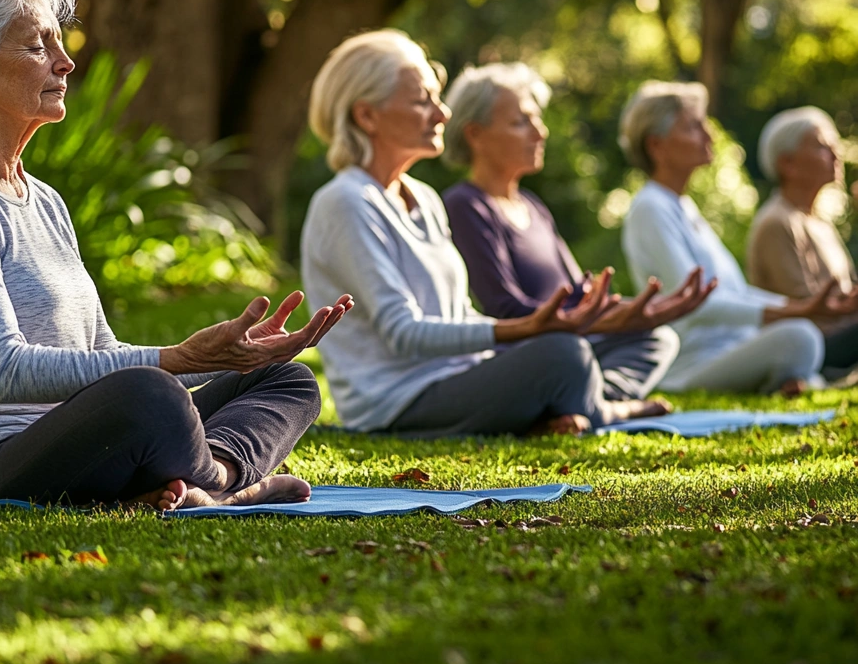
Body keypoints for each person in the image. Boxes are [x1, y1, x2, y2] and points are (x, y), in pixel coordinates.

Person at [0, 0, 352, 511]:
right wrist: (180, 358)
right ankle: (224, 485)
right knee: (150, 394)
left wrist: (222, 355)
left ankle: (207, 478)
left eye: (59, 43)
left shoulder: (45, 200)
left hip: (84, 438)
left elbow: (102, 352)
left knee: (284, 379)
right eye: (37, 47)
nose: (65, 62)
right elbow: (2, 371)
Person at [300, 29, 677, 439]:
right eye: (422, 100)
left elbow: (459, 317)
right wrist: (528, 330)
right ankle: (608, 410)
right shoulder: (345, 201)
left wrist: (561, 326)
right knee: (562, 354)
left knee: (573, 348)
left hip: (461, 376)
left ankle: (565, 407)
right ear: (366, 115)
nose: (443, 113)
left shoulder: (423, 198)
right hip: (397, 401)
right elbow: (404, 333)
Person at [440, 62, 713, 405]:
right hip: (531, 349)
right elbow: (505, 309)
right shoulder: (466, 205)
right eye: (521, 122)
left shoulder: (533, 206)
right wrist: (594, 320)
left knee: (659, 337)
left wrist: (638, 311)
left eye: (536, 120)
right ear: (475, 134)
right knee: (565, 350)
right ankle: (592, 402)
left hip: (570, 338)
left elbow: (581, 292)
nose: (540, 132)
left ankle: (593, 402)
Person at [619, 81, 858, 393]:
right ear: (656, 145)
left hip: (731, 347)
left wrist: (804, 306)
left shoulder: (683, 206)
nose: (709, 135)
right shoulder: (650, 208)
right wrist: (798, 310)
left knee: (800, 332)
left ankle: (796, 381)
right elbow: (694, 305)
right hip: (691, 363)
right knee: (801, 336)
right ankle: (793, 380)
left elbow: (735, 292)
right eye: (693, 127)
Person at [748, 106, 858, 376]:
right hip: (809, 346)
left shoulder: (820, 222)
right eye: (822, 146)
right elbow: (808, 310)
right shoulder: (777, 223)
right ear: (788, 163)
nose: (836, 154)